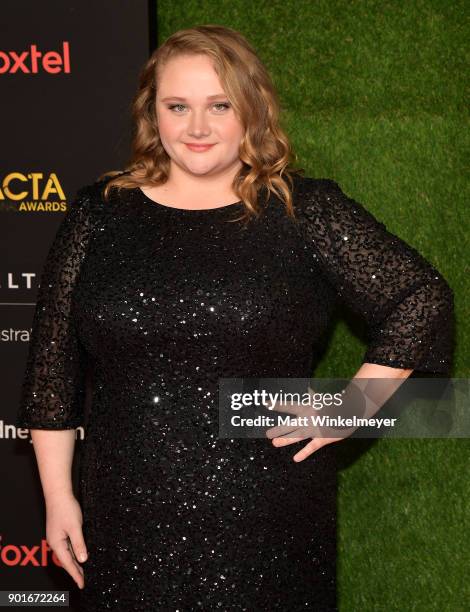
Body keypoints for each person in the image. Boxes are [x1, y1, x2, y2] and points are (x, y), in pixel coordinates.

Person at [16, 24, 454, 611]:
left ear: (252, 111)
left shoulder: (304, 211)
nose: (197, 128)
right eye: (178, 106)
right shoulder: (99, 214)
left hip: (268, 516)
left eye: (219, 106)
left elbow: (420, 297)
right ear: (154, 114)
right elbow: (52, 374)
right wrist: (57, 497)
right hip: (121, 513)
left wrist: (356, 404)